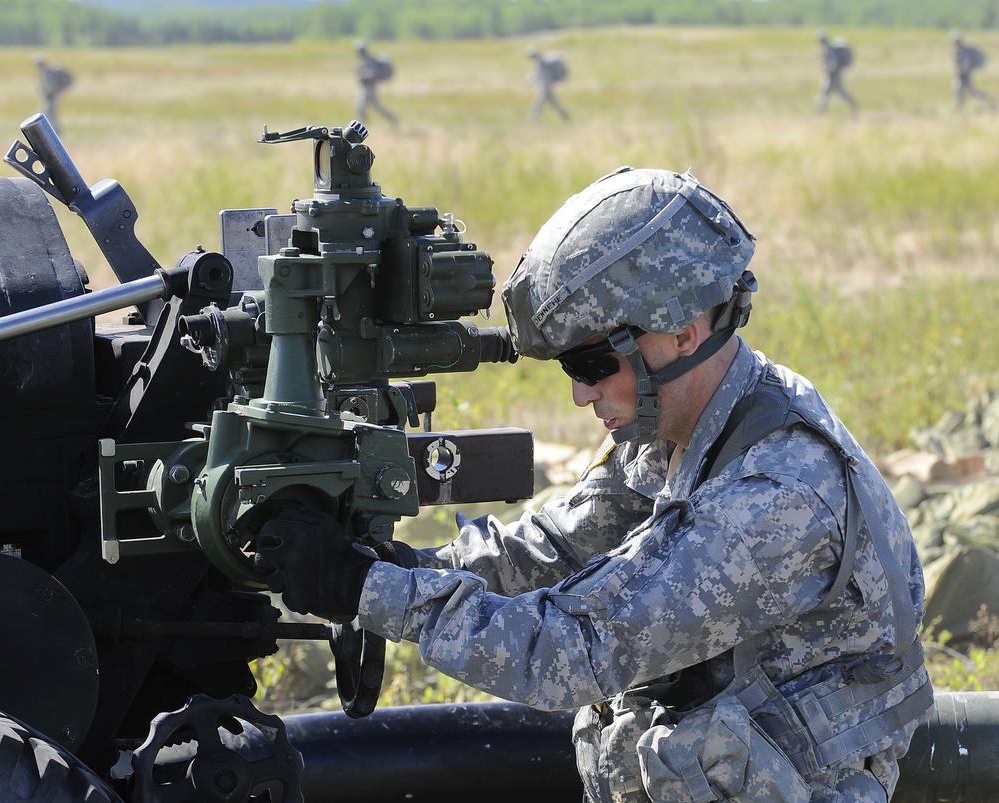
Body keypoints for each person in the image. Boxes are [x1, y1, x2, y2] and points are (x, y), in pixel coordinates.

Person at [257, 168, 934, 802]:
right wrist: (406, 567)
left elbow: (577, 650)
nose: (582, 394)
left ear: (682, 330)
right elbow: (561, 545)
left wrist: (367, 590)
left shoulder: (777, 494)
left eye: (592, 361)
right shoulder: (688, 421)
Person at [354, 39, 398, 127]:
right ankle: (363, 125)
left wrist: (366, 75)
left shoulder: (371, 60)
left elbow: (375, 73)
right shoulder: (362, 60)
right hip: (364, 87)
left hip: (370, 87)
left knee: (369, 106)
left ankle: (392, 118)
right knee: (363, 106)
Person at [950, 31, 993, 110]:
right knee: (960, 88)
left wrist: (970, 66)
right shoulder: (958, 51)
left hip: (966, 73)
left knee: (969, 89)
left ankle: (987, 100)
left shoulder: (968, 50)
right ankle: (960, 105)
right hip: (961, 74)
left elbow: (970, 61)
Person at [816, 32, 858, 112]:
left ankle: (853, 104)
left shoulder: (829, 49)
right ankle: (821, 109)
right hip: (834, 74)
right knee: (826, 91)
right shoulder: (829, 48)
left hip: (833, 74)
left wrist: (827, 68)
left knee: (833, 91)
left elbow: (834, 62)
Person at [527, 46, 570, 121]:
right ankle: (565, 116)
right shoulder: (541, 63)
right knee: (555, 104)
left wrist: (544, 87)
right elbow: (537, 75)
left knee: (538, 104)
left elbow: (544, 77)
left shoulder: (542, 64)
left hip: (545, 88)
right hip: (547, 88)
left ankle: (535, 120)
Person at [33, 53, 73, 134]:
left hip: (51, 97)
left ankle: (55, 132)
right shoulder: (46, 71)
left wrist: (47, 91)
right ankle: (52, 132)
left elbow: (51, 85)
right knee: (48, 114)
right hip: (50, 96)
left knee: (47, 115)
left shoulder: (48, 73)